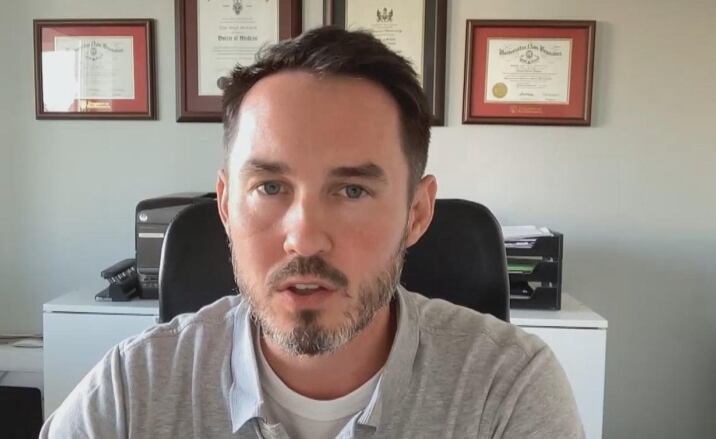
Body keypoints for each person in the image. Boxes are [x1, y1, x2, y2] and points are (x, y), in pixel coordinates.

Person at [40, 27, 584, 438]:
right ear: (226, 206)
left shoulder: (507, 389)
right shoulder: (133, 390)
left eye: (351, 191)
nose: (303, 239)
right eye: (271, 187)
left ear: (416, 213)